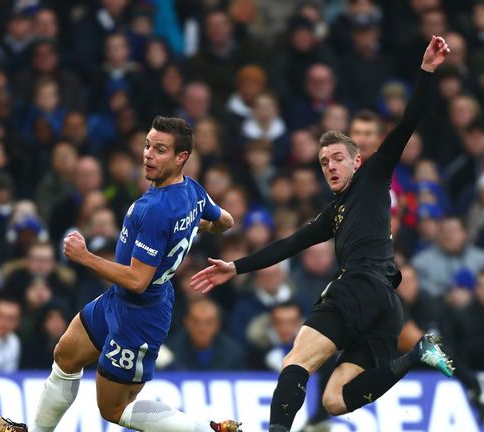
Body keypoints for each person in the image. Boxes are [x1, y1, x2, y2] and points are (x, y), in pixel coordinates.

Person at [190, 37, 454, 432]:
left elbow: (405, 126)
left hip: (360, 286)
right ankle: (416, 354)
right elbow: (291, 243)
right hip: (387, 307)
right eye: (323, 162)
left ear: (357, 161)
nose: (330, 167)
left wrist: (427, 71)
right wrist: (236, 266)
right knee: (334, 399)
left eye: (337, 159)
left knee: (296, 361)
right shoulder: (333, 213)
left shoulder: (372, 177)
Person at [0, 116, 239, 432]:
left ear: (180, 157)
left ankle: (206, 430)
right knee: (65, 355)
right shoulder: (193, 191)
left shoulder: (156, 209)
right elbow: (225, 221)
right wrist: (193, 227)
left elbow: (137, 279)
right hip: (118, 300)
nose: (148, 154)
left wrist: (85, 257)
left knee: (115, 408)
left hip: (141, 314)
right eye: (147, 145)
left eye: (160, 150)